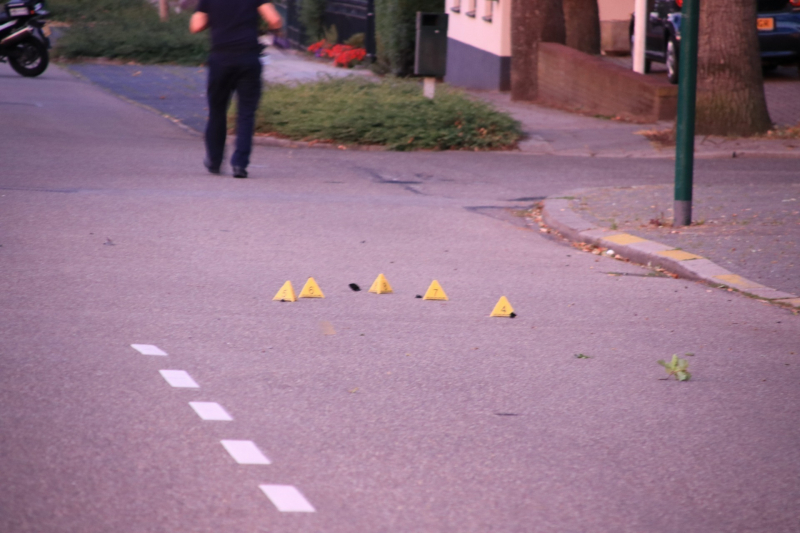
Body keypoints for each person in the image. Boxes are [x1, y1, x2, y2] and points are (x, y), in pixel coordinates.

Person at [190, 0, 282, 178]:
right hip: (248, 58)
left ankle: (214, 161)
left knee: (217, 110)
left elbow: (196, 26)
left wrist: (216, 19)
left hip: (221, 58)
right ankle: (240, 164)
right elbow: (275, 19)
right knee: (246, 113)